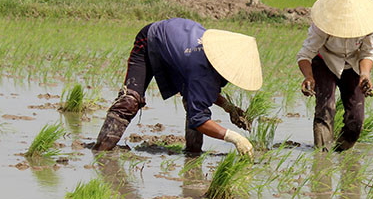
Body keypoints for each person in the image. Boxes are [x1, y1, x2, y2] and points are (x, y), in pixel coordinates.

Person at [94, 17, 261, 155]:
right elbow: (199, 118)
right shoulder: (200, 67)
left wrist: (229, 107)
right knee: (130, 101)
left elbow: (202, 92)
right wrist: (235, 138)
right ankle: (101, 152)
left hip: (179, 49)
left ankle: (192, 155)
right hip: (150, 40)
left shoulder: (209, 64)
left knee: (193, 101)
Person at [297, 0, 373, 151]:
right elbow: (305, 54)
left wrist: (365, 75)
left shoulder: (370, 25)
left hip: (353, 64)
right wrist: (309, 77)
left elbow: (368, 52)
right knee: (326, 108)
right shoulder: (323, 25)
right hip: (324, 61)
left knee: (356, 119)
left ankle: (340, 152)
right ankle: (322, 156)